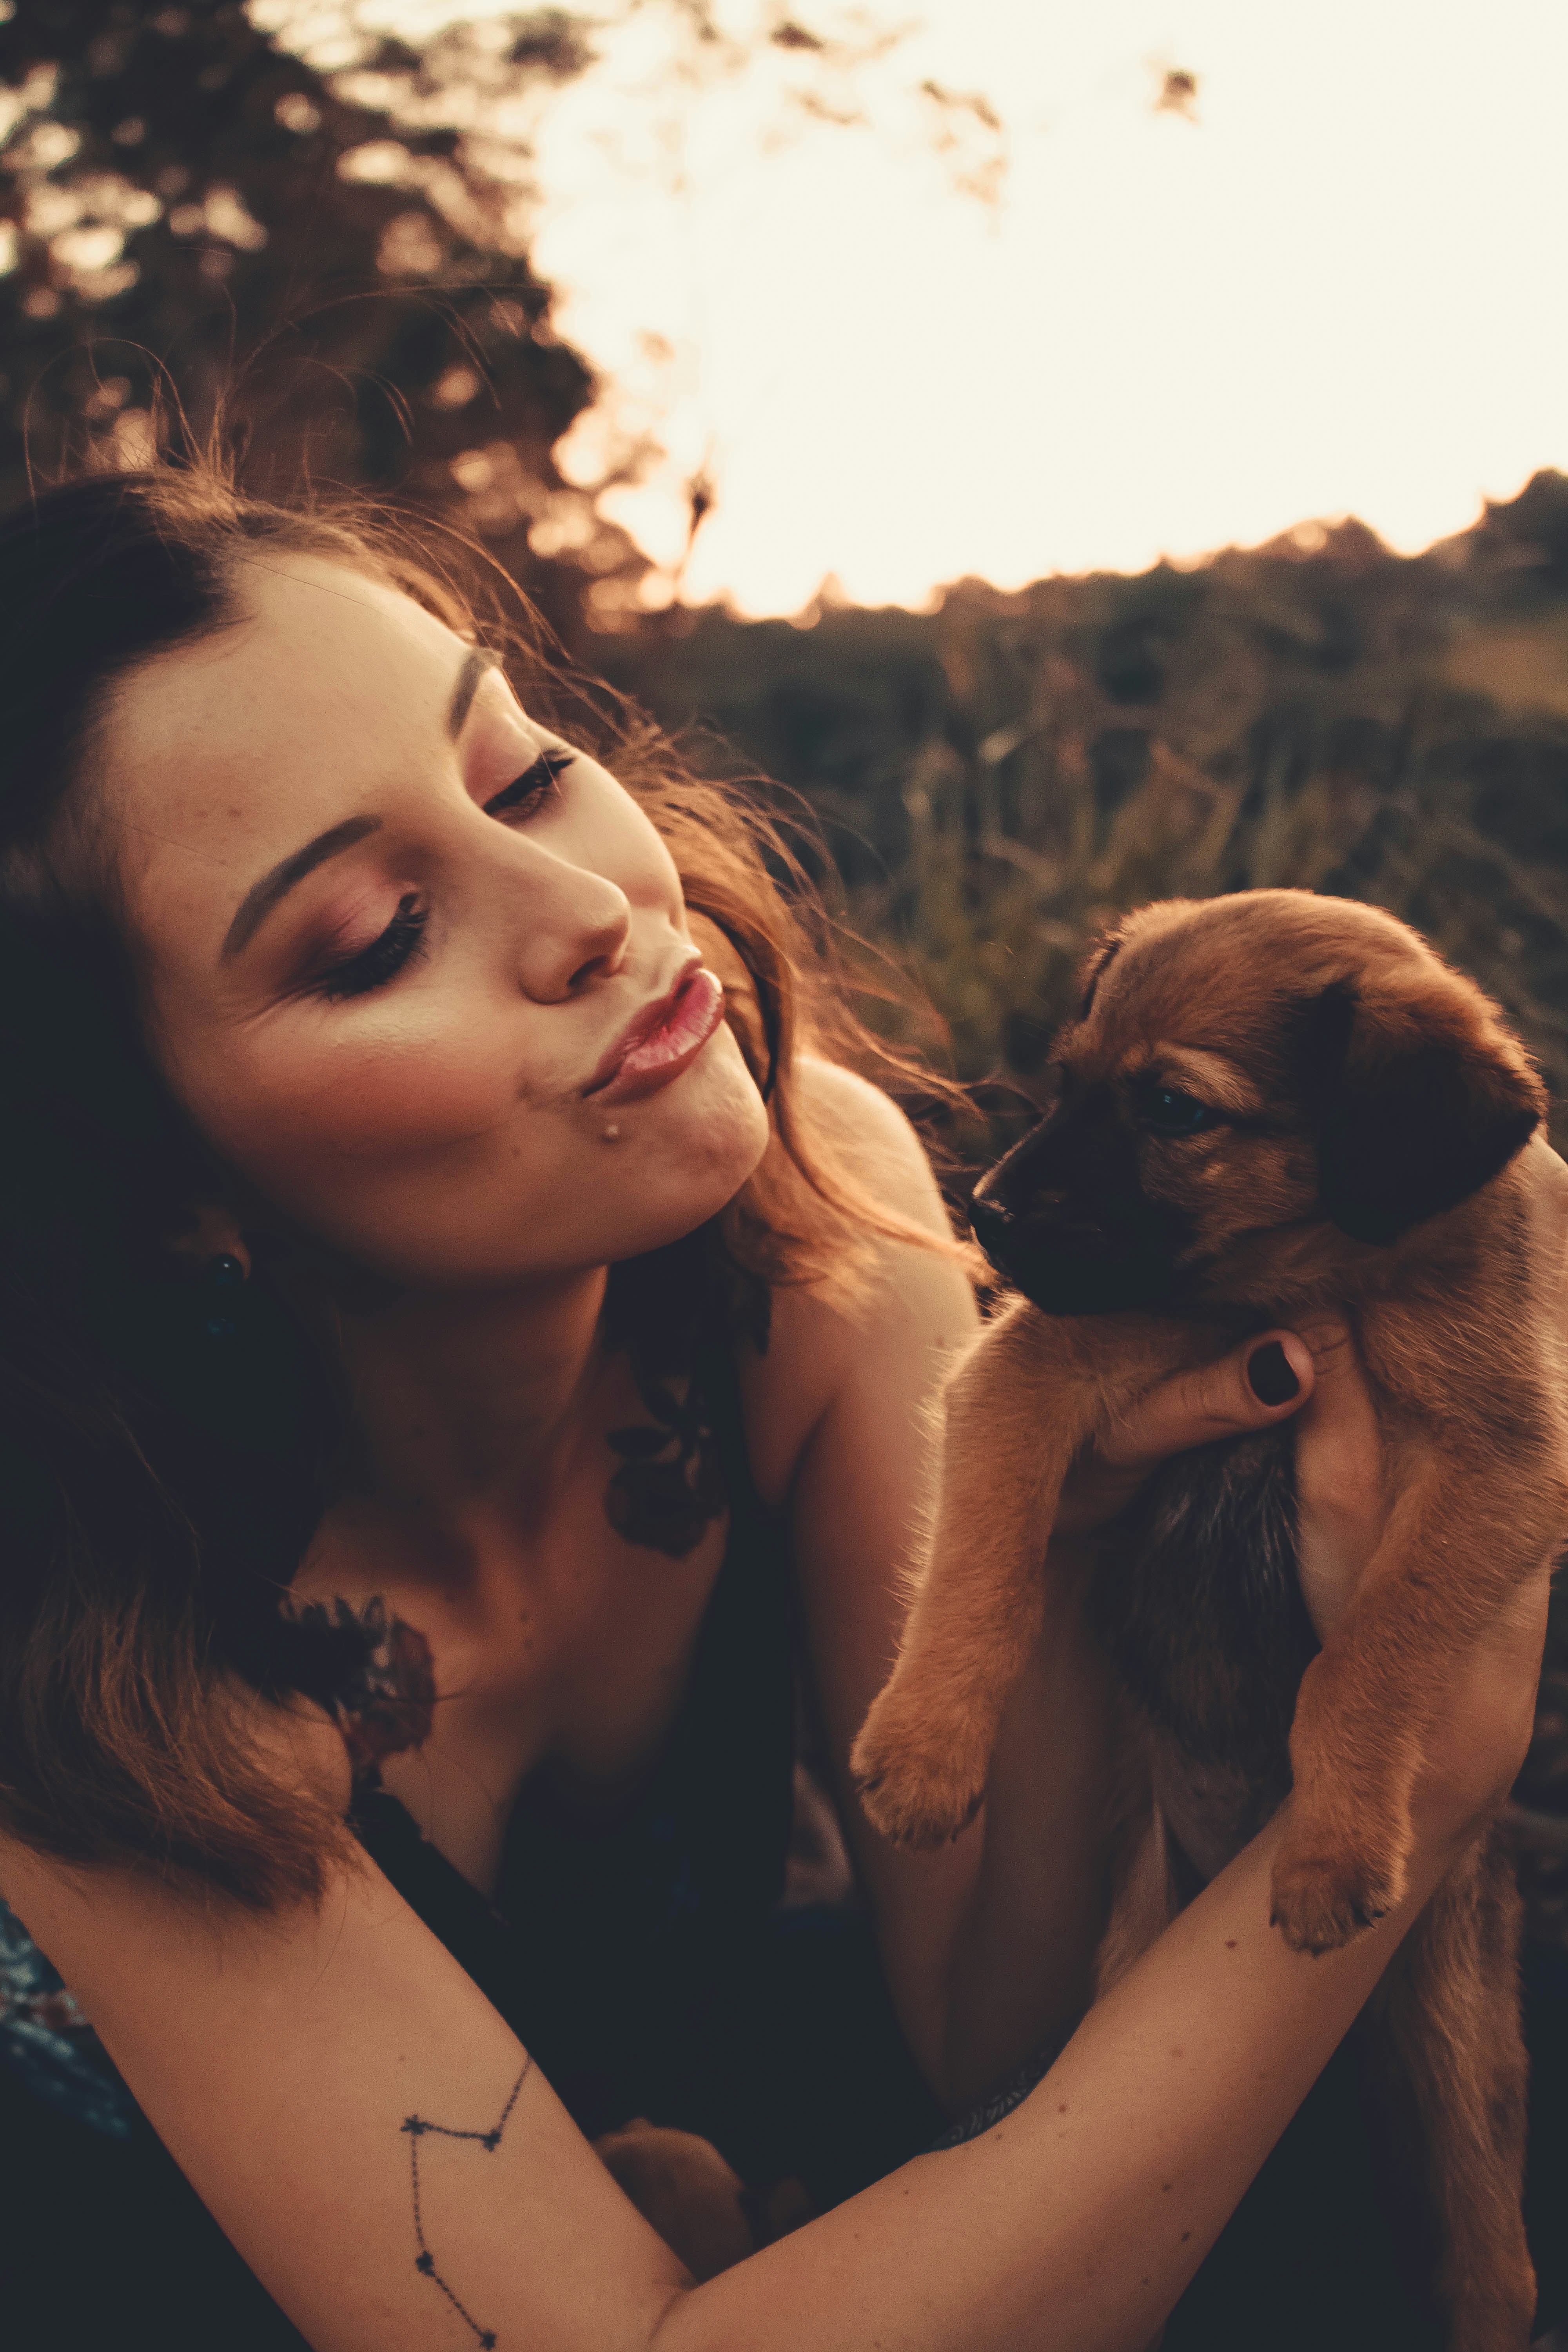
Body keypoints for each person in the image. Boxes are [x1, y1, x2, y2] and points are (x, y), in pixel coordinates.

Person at [0, 461, 1557, 2352]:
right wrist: (1417, 1791)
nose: (587, 904)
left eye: (519, 767)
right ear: (142, 1178)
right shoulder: (78, 1622)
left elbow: (989, 2037)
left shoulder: (804, 1217)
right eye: (369, 936)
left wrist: (1058, 1555)